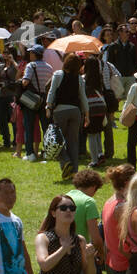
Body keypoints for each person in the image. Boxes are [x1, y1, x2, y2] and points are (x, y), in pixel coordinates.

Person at [47, 52, 90, 181]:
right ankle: (74, 173)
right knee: (73, 142)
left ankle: (65, 162)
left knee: (57, 141)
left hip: (60, 111)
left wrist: (48, 106)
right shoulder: (79, 78)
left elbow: (52, 91)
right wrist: (87, 115)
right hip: (76, 112)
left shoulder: (58, 75)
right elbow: (83, 97)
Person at [18, 43, 53, 162]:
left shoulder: (30, 66)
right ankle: (47, 152)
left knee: (29, 125)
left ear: (34, 54)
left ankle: (30, 153)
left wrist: (21, 80)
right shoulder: (49, 67)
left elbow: (25, 82)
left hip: (32, 98)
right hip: (44, 98)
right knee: (45, 127)